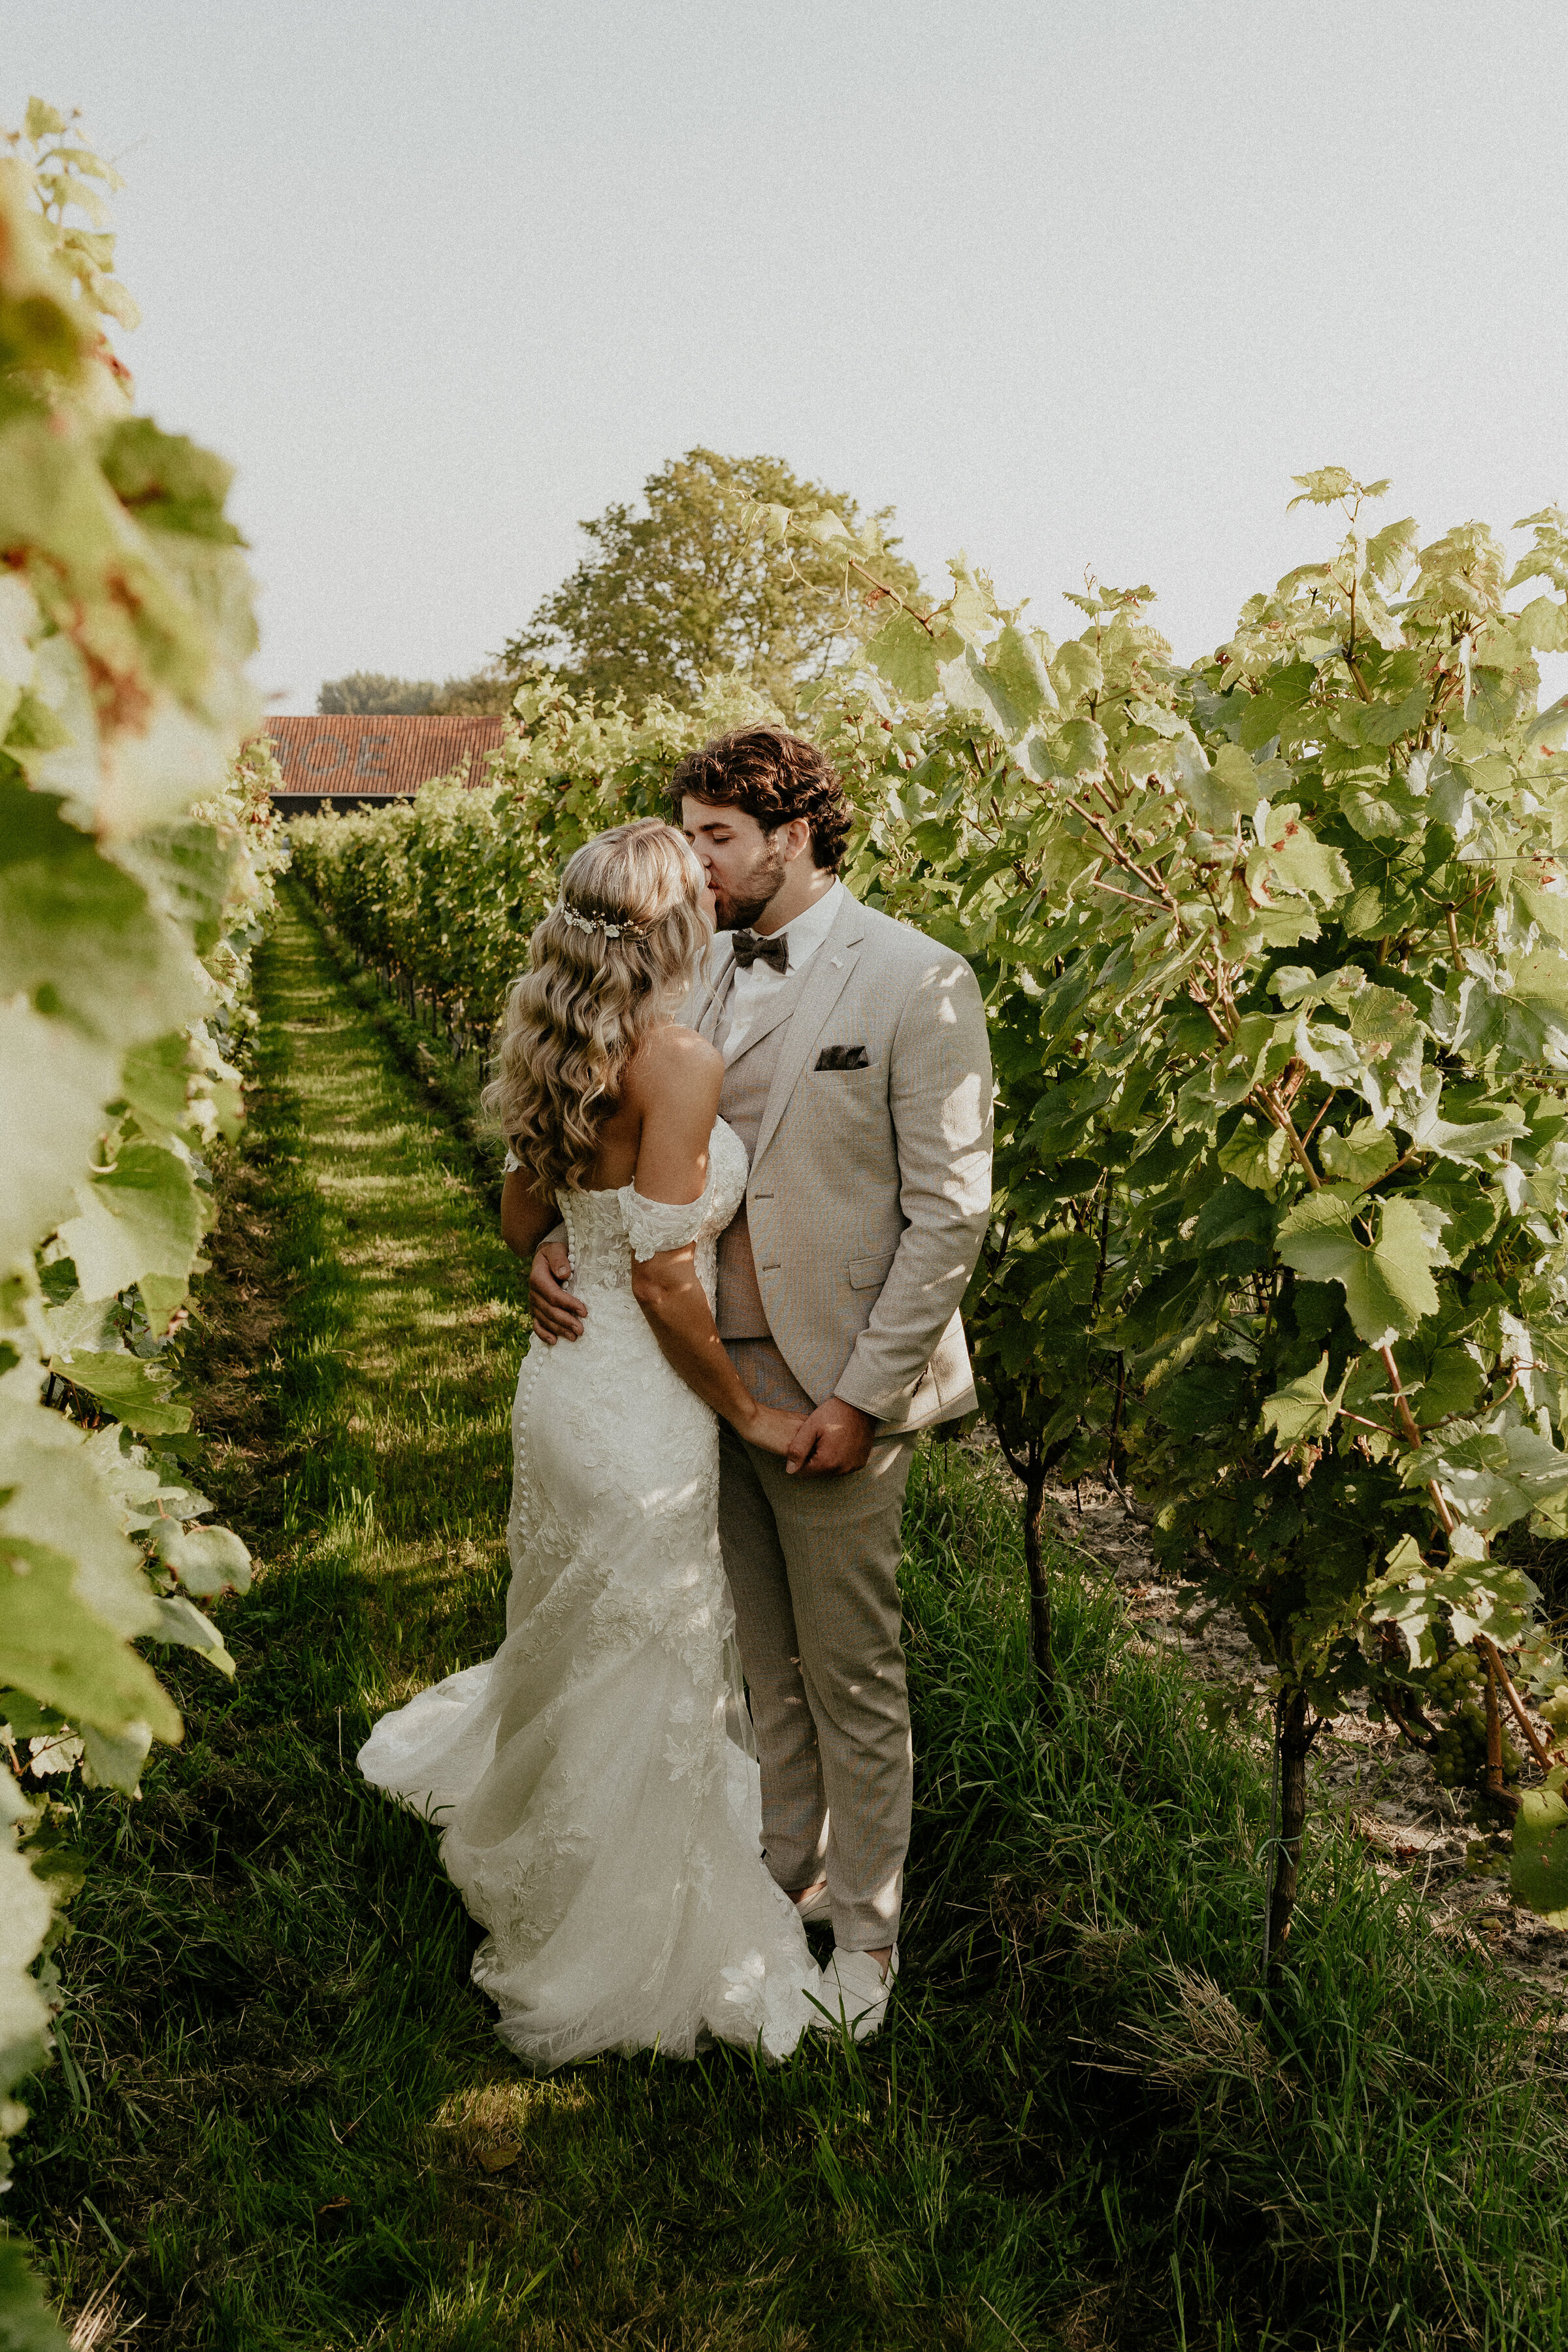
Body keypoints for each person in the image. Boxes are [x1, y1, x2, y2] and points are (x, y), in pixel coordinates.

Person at [530, 730, 994, 2040]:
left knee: (853, 1673)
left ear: (795, 837)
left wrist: (866, 1396)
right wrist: (568, 1247)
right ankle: (782, 1882)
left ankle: (870, 1943)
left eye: (717, 837)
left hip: (833, 1385)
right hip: (692, 1376)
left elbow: (948, 1219)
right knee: (760, 1667)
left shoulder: (916, 979)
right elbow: (623, 1149)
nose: (696, 862)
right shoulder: (695, 964)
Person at [358, 817, 821, 2068]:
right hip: (642, 1399)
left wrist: (560, 1250)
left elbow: (524, 1214)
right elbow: (671, 1281)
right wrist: (749, 1410)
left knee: (578, 1630)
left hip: (563, 1385)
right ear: (676, 929)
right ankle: (615, 1938)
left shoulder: (557, 1043)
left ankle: (557, 1839)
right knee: (648, 1644)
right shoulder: (677, 1062)